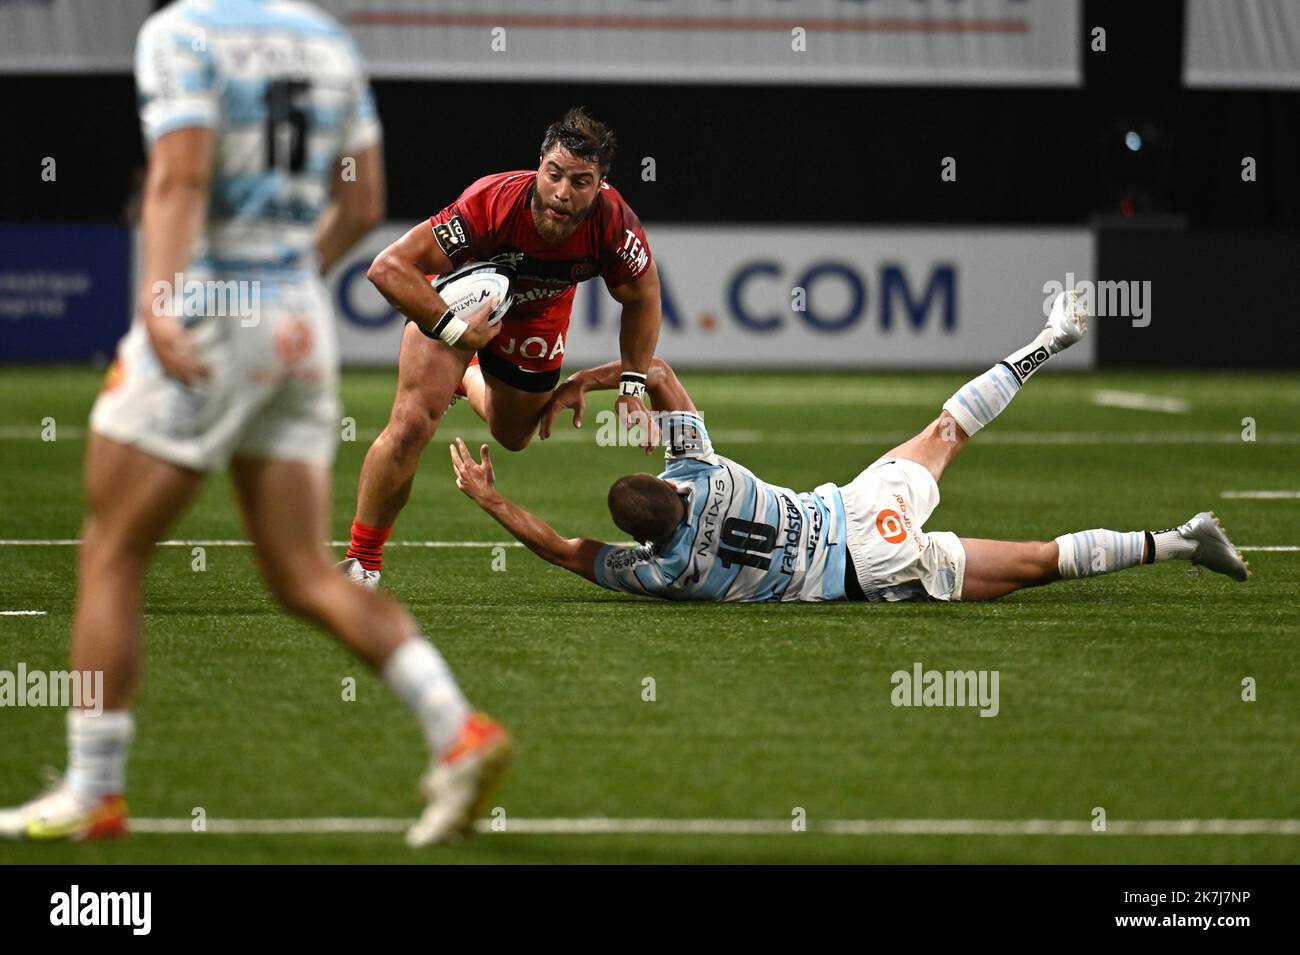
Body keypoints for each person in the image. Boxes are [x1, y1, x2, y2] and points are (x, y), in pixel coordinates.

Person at [0, 0, 508, 847]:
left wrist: (165, 296)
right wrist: (284, 284)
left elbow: (182, 176)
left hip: (209, 305)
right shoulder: (325, 38)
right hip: (299, 324)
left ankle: (95, 789)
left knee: (111, 547)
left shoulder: (181, 32)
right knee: (302, 571)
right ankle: (458, 728)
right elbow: (363, 203)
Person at [447, 291, 1250, 603]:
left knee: (1037, 560)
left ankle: (1179, 540)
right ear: (673, 485)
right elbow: (655, 368)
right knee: (948, 429)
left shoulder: (664, 571)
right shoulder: (705, 472)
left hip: (865, 566)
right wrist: (587, 381)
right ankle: (1049, 336)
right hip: (854, 507)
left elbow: (562, 549)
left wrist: (491, 498)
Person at [339, 106, 662, 589]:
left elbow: (642, 297)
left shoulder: (615, 226)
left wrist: (633, 385)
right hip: (458, 310)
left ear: (600, 184)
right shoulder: (492, 203)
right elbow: (388, 268)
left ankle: (467, 378)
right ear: (539, 166)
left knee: (514, 435)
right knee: (410, 426)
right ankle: (362, 562)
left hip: (537, 318)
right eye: (553, 175)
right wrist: (452, 330)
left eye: (580, 181)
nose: (561, 193)